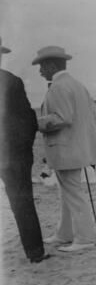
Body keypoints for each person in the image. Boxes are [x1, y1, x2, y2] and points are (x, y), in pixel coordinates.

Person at [33, 45, 96, 252]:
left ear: (51, 65)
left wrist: (35, 122)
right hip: (77, 147)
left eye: (41, 67)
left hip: (65, 148)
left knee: (72, 193)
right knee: (67, 192)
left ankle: (84, 238)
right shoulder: (77, 85)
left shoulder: (57, 87)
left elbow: (62, 118)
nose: (40, 71)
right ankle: (64, 233)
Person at [0, 37, 48, 263]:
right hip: (13, 155)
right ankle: (35, 252)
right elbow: (28, 120)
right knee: (22, 202)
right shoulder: (11, 81)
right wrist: (23, 151)